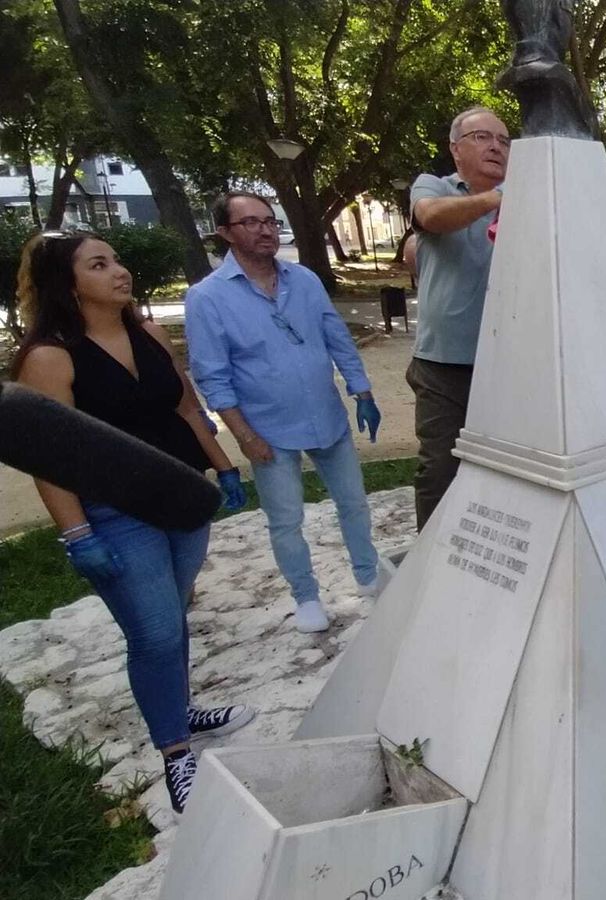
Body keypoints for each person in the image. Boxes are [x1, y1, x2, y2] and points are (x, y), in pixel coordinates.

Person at [11, 231, 257, 814]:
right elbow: (49, 458)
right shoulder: (49, 357)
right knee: (152, 633)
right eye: (100, 265)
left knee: (172, 619)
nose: (120, 271)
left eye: (117, 259)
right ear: (68, 285)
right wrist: (77, 536)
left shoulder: (147, 331)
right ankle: (176, 753)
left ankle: (179, 707)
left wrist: (223, 469)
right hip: (114, 512)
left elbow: (184, 406)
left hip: (179, 497)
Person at [185, 191, 383, 634]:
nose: (265, 230)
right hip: (267, 429)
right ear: (225, 233)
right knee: (286, 519)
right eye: (251, 222)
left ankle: (368, 574)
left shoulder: (304, 280)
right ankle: (306, 595)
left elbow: (337, 339)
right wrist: (243, 435)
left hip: (327, 417)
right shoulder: (208, 297)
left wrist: (362, 391)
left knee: (353, 502)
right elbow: (212, 376)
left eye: (270, 221)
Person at [407, 106, 509, 529]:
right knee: (440, 469)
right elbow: (430, 217)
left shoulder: (529, 196)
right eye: (483, 137)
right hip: (444, 365)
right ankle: (430, 569)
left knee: (509, 469)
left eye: (504, 141)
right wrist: (500, 198)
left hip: (508, 363)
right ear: (456, 150)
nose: (496, 147)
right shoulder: (435, 186)